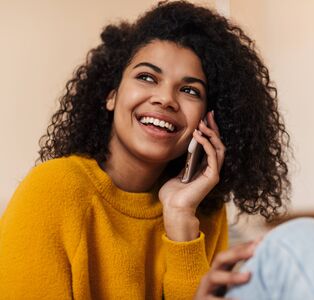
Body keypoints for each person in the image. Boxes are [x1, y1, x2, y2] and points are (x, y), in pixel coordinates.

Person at [0, 1, 290, 299]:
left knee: (300, 241)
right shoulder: (53, 190)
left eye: (190, 90)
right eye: (147, 77)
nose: (165, 99)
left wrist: (179, 217)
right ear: (111, 95)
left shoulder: (201, 211)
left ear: (207, 119)